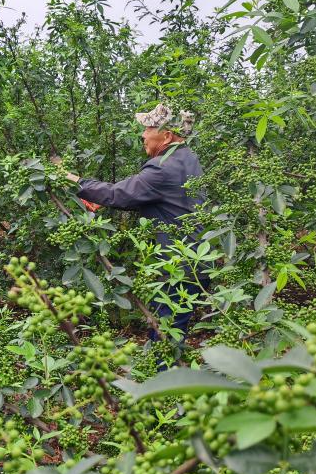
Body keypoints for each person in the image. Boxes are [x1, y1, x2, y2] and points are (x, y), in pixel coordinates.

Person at [56, 104, 207, 339]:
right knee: (175, 330)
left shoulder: (162, 167)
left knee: (164, 338)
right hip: (193, 262)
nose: (143, 134)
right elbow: (164, 199)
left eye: (148, 128)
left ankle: (166, 374)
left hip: (175, 267)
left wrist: (74, 181)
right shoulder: (188, 158)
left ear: (166, 135)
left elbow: (118, 194)